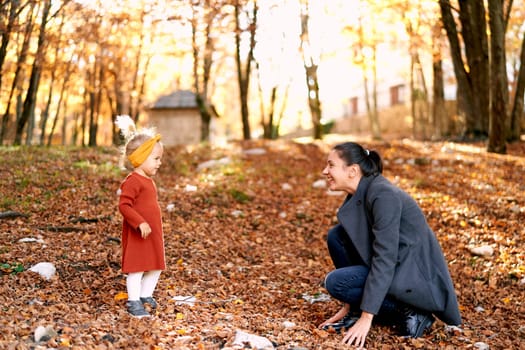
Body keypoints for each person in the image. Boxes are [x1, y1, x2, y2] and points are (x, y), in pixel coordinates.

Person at [318, 142, 461, 347]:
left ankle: (414, 310)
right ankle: (361, 308)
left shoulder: (384, 195)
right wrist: (349, 307)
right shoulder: (360, 192)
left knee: (337, 283)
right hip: (396, 270)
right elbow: (365, 248)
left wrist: (367, 318)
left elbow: (385, 258)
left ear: (352, 171)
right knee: (337, 236)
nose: (325, 171)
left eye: (331, 165)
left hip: (413, 278)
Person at [115, 115, 165, 318]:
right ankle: (133, 301)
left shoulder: (149, 182)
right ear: (141, 158)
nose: (159, 163)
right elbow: (124, 205)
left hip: (152, 233)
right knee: (136, 269)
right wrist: (140, 222)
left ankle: (146, 295)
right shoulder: (133, 181)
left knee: (156, 266)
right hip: (138, 233)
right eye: (156, 159)